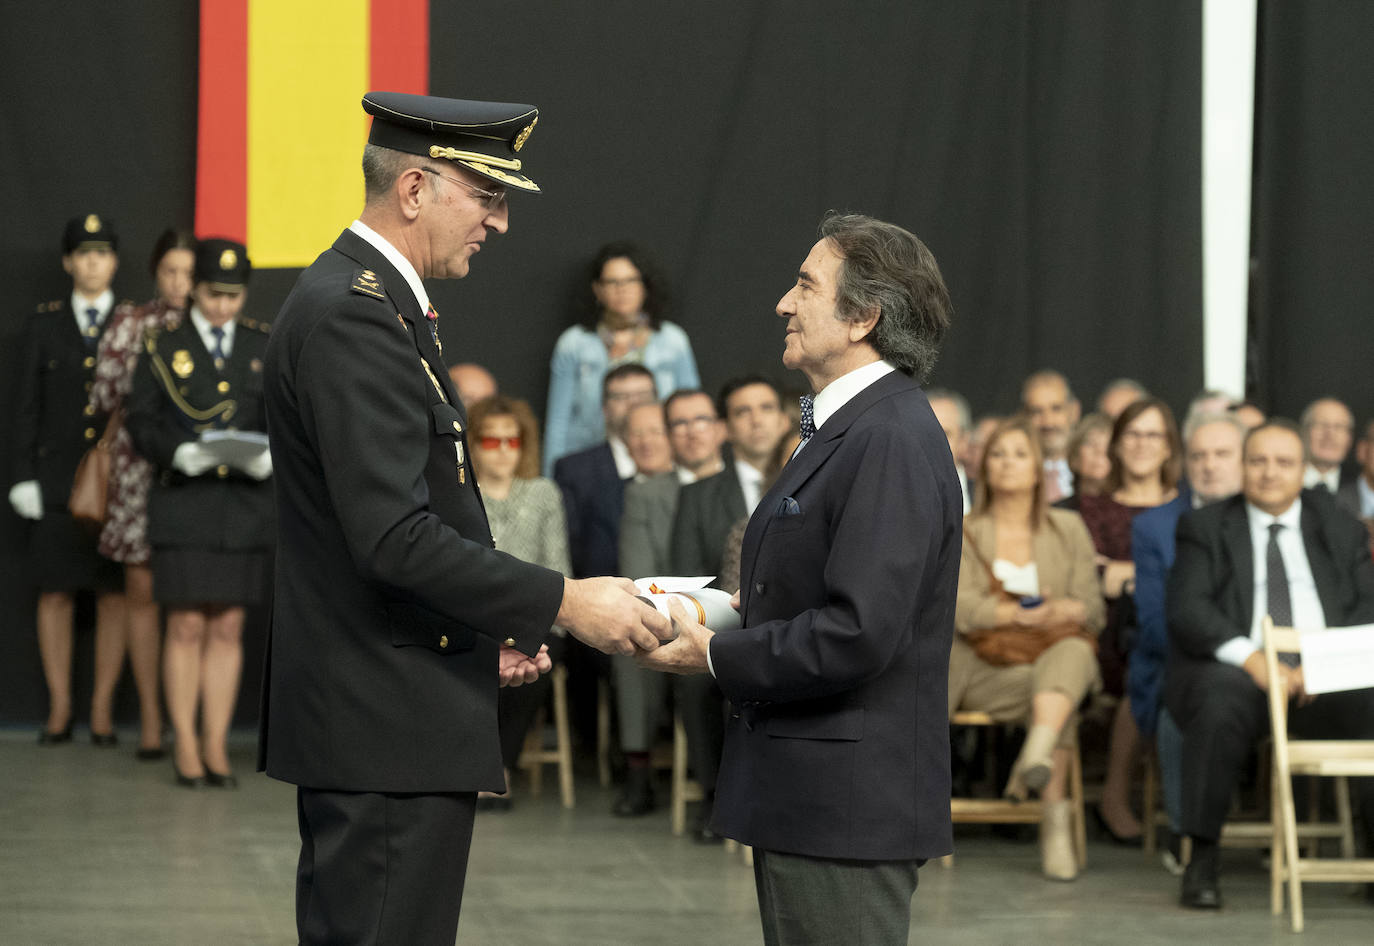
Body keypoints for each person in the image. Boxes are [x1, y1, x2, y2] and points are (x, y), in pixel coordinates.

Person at [257, 91, 667, 946]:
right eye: (487, 197)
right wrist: (564, 600)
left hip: (391, 711)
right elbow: (392, 538)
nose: (502, 223)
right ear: (414, 189)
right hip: (382, 724)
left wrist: (487, 626)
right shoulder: (353, 316)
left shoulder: (371, 303)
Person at [642, 212, 960, 945]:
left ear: (864, 318)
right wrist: (719, 611)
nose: (784, 303)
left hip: (843, 807)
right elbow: (819, 593)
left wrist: (715, 654)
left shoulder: (886, 438)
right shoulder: (853, 428)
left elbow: (860, 631)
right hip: (814, 796)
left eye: (805, 285)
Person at [1166, 419, 1374, 909]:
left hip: (1323, 676)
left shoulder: (1341, 527)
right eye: (1257, 461)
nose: (1269, 473)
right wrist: (1256, 660)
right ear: (1242, 467)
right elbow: (1189, 611)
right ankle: (1203, 858)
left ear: (1304, 471)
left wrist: (1321, 665)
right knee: (1218, 702)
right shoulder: (1205, 526)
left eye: (1283, 462)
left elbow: (1366, 608)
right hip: (1241, 673)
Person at [125, 239, 273, 787]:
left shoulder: (261, 341)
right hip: (184, 502)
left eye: (233, 296)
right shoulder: (163, 343)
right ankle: (185, 740)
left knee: (229, 626)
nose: (222, 307)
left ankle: (215, 742)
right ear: (193, 289)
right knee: (186, 624)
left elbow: (284, 415)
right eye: (213, 294)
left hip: (244, 502)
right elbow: (140, 418)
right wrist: (176, 451)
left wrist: (270, 457)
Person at [952, 417, 1105, 880]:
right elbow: (954, 606)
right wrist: (1013, 615)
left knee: (1074, 655)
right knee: (1058, 704)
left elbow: (1092, 610)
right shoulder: (963, 528)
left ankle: (1036, 754)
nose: (1008, 463)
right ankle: (1050, 815)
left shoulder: (1068, 527)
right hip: (982, 668)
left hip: (1048, 662)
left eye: (1020, 454)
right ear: (982, 466)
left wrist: (1059, 611)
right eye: (998, 453)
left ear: (1039, 467)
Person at [10, 215, 127, 745]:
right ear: (68, 262)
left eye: (102, 254)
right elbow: (24, 410)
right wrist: (23, 477)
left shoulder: (132, 324)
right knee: (55, 594)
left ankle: (101, 710)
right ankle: (59, 708)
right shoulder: (43, 325)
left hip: (114, 488)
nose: (93, 263)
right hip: (56, 484)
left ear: (114, 262)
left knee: (112, 597)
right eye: (83, 254)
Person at [87, 227, 196, 758]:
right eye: (170, 271)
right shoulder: (132, 322)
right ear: (156, 271)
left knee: (194, 602)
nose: (179, 282)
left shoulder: (211, 325)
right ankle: (153, 720)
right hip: (135, 473)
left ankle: (191, 727)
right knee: (141, 595)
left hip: (198, 477)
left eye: (188, 272)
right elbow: (103, 393)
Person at [669, 375, 791, 841]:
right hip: (719, 621)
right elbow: (685, 577)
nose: (756, 420)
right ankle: (714, 797)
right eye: (743, 411)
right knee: (700, 677)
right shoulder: (699, 495)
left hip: (785, 625)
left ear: (783, 418)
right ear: (726, 427)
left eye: (765, 408)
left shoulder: (820, 482)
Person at [1127, 412, 1245, 871]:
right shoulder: (1156, 527)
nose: (1209, 465)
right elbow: (1157, 624)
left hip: (1256, 665)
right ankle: (1186, 832)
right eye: (1198, 455)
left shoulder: (1263, 516)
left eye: (1222, 454)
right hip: (1175, 660)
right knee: (1185, 702)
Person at [612, 389, 726, 816]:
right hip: (670, 607)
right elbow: (639, 575)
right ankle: (639, 769)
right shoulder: (648, 494)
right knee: (633, 639)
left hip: (736, 607)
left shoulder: (743, 482)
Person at [1075, 397, 1182, 844]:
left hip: (1172, 628)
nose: (1142, 444)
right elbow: (1087, 575)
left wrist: (1123, 572)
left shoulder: (1190, 510)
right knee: (1145, 660)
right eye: (1132, 434)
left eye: (1153, 434)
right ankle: (1117, 797)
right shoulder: (1088, 508)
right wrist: (1154, 574)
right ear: (1116, 446)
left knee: (1161, 652)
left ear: (1169, 447)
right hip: (1106, 634)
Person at [466, 395, 572, 810]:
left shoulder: (544, 493)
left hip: (535, 617)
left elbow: (558, 567)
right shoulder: (460, 496)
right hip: (472, 616)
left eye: (514, 441)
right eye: (492, 442)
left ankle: (498, 768)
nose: (505, 451)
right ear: (472, 444)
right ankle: (472, 762)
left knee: (532, 656)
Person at [554, 363, 659, 751]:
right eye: (621, 396)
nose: (633, 404)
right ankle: (613, 755)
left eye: (643, 396)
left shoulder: (674, 460)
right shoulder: (575, 468)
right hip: (598, 600)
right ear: (603, 409)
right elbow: (573, 546)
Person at [543, 241, 699, 474]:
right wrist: (552, 480)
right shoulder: (574, 343)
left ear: (645, 286)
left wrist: (693, 472)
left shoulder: (672, 340)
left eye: (631, 280)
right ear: (597, 289)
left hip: (661, 466)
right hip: (591, 465)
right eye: (612, 282)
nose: (622, 289)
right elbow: (558, 422)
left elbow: (690, 411)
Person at [1022, 370, 1080, 503]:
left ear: (1074, 411)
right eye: (1036, 411)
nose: (1048, 422)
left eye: (1056, 409)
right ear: (1025, 417)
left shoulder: (1095, 470)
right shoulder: (1014, 472)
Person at [927, 387, 973, 513]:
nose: (933, 443)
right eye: (925, 434)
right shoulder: (895, 492)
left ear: (964, 440)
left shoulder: (984, 495)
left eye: (944, 434)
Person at [1058, 412, 1114, 509]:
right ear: (1074, 457)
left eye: (1108, 444)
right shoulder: (1056, 514)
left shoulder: (1133, 514)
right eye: (1090, 443)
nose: (1100, 451)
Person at [1300, 396, 1355, 494]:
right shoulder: (1280, 482)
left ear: (1349, 438)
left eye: (1338, 427)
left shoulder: (1359, 489)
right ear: (1304, 432)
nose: (1330, 434)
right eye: (1322, 424)